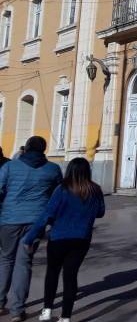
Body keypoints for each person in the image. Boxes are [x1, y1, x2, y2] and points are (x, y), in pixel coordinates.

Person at [22, 157, 105, 322]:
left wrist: (30, 237)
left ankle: (47, 310)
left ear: (69, 171)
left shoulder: (62, 189)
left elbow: (47, 214)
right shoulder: (95, 190)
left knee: (52, 273)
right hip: (81, 239)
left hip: (59, 237)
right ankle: (66, 316)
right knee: (70, 276)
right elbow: (100, 212)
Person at [0, 136, 63, 322]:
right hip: (36, 221)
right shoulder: (53, 169)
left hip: (9, 220)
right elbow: (58, 193)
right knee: (24, 263)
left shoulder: (10, 167)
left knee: (5, 259)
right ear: (44, 149)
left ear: (26, 148)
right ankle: (17, 311)